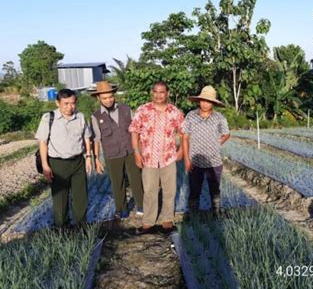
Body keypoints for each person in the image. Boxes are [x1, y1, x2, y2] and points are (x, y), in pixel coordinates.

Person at [129, 81, 184, 234]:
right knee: (149, 190)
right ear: (151, 92)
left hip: (168, 157)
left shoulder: (174, 112)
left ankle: (167, 220)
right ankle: (148, 222)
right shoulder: (143, 110)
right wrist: (137, 153)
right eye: (156, 92)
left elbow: (184, 133)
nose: (159, 95)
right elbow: (134, 132)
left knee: (170, 190)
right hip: (148, 157)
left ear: (167, 93)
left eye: (162, 92)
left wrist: (181, 151)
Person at [35, 88, 92, 227]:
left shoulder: (80, 116)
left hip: (78, 162)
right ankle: (61, 228)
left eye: (72, 103)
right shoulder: (48, 118)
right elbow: (42, 142)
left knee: (81, 196)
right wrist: (45, 165)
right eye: (65, 103)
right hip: (57, 163)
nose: (69, 107)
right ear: (57, 103)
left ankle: (81, 227)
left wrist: (89, 157)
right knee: (60, 198)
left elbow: (86, 137)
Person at [90, 81, 144, 219]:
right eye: (104, 98)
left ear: (114, 95)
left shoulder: (126, 109)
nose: (108, 100)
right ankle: (122, 209)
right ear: (98, 98)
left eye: (110, 97)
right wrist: (96, 159)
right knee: (117, 182)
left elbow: (136, 130)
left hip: (130, 150)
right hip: (112, 154)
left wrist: (139, 149)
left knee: (136, 178)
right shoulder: (96, 116)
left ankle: (141, 205)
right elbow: (96, 139)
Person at [182, 86, 230, 215]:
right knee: (194, 189)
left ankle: (216, 213)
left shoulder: (219, 118)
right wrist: (186, 159)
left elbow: (226, 134)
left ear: (213, 103)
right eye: (203, 100)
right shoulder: (191, 116)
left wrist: (217, 143)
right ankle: (193, 216)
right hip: (195, 160)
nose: (205, 103)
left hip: (214, 161)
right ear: (199, 101)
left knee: (215, 190)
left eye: (208, 101)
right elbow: (185, 137)